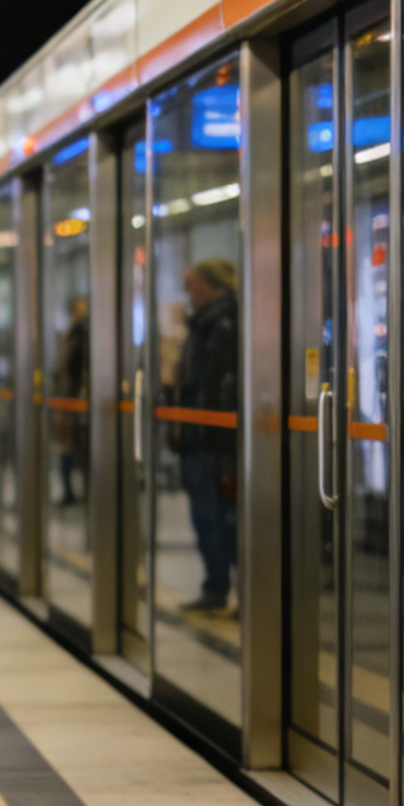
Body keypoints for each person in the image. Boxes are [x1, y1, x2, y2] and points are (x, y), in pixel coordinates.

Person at [172, 259, 241, 613]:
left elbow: (215, 386)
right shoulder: (204, 324)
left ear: (211, 286)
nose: (188, 293)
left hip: (213, 440)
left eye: (192, 284)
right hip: (200, 437)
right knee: (208, 518)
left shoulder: (223, 324)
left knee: (219, 519)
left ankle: (224, 589)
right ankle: (216, 587)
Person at [53, 297, 90, 506]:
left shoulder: (82, 335)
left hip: (76, 402)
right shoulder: (72, 335)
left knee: (78, 449)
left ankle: (83, 491)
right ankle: (69, 491)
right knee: (66, 449)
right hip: (67, 401)